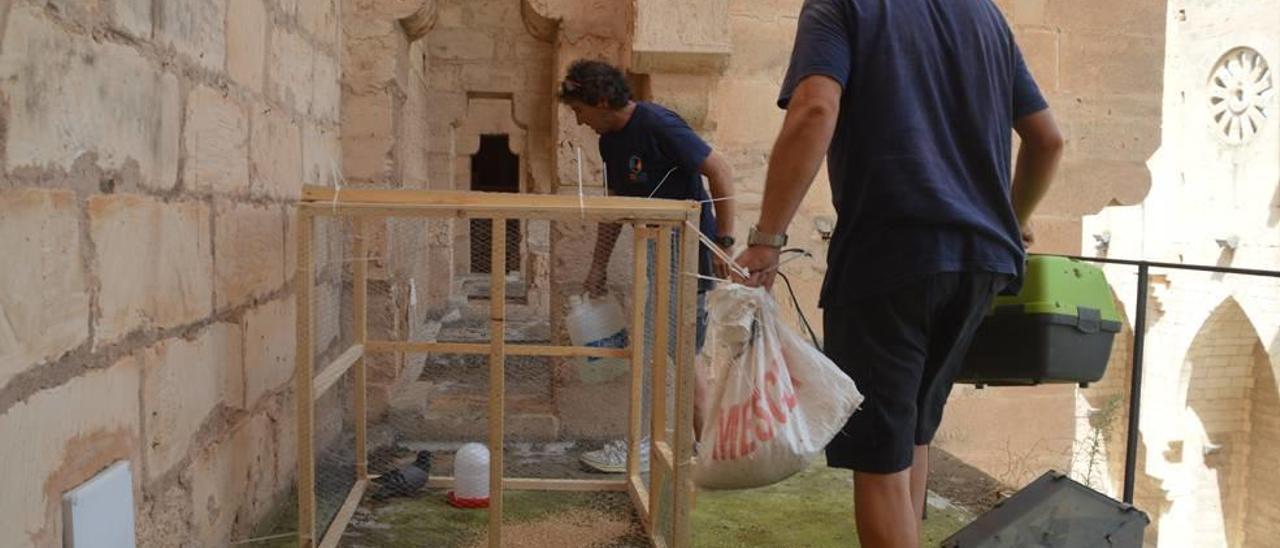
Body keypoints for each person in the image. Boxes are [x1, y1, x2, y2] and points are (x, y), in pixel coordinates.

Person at [733, 1, 1064, 546]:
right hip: (981, 261)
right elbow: (1047, 139)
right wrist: (1015, 218)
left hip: (890, 257)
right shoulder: (984, 15)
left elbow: (815, 110)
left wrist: (767, 239)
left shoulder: (837, 6)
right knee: (910, 439)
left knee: (881, 463)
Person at [558, 59, 736, 474]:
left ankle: (699, 451)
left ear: (602, 100)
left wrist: (724, 245)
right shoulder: (609, 143)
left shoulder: (658, 123)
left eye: (580, 111)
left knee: (680, 351)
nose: (580, 122)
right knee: (675, 350)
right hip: (657, 252)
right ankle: (701, 451)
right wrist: (597, 266)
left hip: (690, 252)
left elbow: (720, 171)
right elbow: (616, 208)